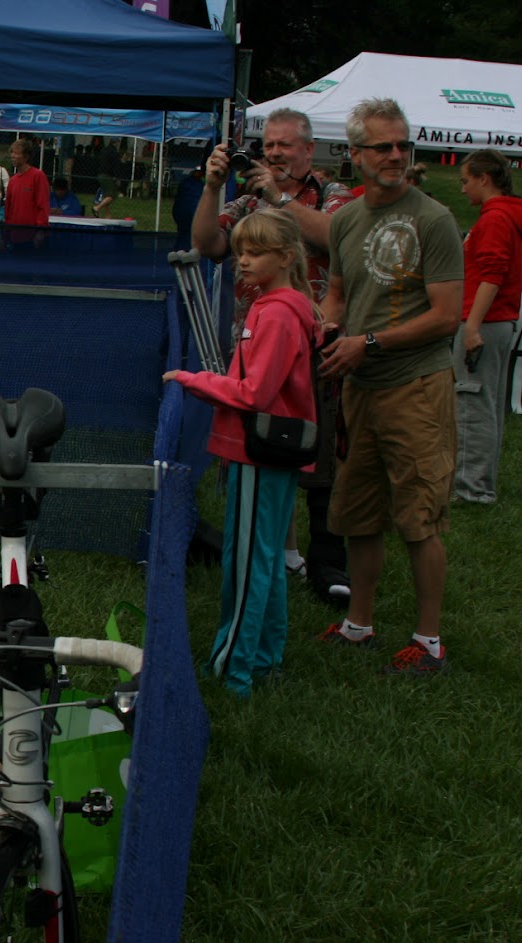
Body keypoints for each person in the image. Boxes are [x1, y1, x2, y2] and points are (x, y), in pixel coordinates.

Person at [316, 98, 463, 676]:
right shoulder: (346, 220)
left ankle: (429, 641)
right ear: (355, 154)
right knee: (359, 511)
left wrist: (369, 343)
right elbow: (338, 294)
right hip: (360, 387)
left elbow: (446, 317)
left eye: (403, 145)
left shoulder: (434, 219)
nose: (397, 155)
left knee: (419, 515)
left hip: (416, 385)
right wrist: (326, 329)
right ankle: (359, 624)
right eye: (383, 147)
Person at [191, 107, 355, 608]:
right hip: (255, 345)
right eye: (270, 145)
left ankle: (327, 563)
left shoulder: (332, 194)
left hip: (317, 348)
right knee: (266, 446)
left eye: (286, 145)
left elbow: (337, 238)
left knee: (320, 458)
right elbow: (206, 243)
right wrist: (212, 187)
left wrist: (278, 198)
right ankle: (281, 551)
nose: (276, 153)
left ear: (309, 149)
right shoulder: (245, 200)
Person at [164, 211, 319, 696]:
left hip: (261, 451)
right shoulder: (281, 308)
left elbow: (255, 393)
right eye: (240, 253)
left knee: (248, 560)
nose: (243, 262)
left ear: (286, 257)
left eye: (255, 253)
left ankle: (233, 667)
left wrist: (194, 380)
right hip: (271, 451)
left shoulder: (275, 313)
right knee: (264, 557)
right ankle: (264, 659)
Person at [452, 149, 522, 505]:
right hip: (497, 321)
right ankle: (479, 484)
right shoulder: (506, 215)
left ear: (483, 178)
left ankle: (470, 489)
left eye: (466, 181)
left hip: (485, 323)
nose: (462, 189)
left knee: (471, 403)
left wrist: (472, 326)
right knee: (485, 404)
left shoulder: (495, 218)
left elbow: (492, 274)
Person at [3, 138, 49, 241]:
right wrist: (7, 230)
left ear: (26, 156)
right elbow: (9, 208)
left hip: (32, 234)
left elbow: (42, 204)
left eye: (16, 153)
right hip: (15, 234)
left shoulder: (38, 176)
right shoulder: (13, 180)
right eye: (12, 153)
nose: (12, 156)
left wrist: (41, 230)